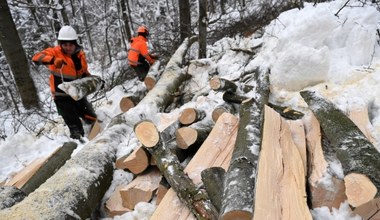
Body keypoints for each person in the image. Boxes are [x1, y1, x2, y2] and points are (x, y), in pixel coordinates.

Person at [32, 25, 97, 140]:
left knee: (91, 118)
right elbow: (36, 58)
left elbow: (84, 72)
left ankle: (95, 134)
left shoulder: (80, 55)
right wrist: (52, 60)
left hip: (77, 94)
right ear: (61, 44)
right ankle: (79, 142)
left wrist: (92, 82)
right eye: (65, 45)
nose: (68, 47)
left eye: (70, 45)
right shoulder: (54, 52)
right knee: (75, 126)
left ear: (75, 44)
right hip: (61, 96)